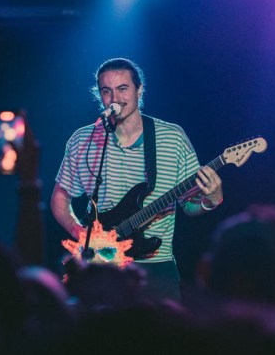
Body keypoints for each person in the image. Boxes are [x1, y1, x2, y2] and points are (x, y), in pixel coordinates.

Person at [50, 57, 223, 303]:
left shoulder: (172, 137)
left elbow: (189, 206)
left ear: (139, 90)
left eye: (123, 88)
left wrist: (211, 200)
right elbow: (60, 198)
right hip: (101, 266)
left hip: (155, 266)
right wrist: (84, 233)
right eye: (106, 91)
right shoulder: (83, 139)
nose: (115, 98)